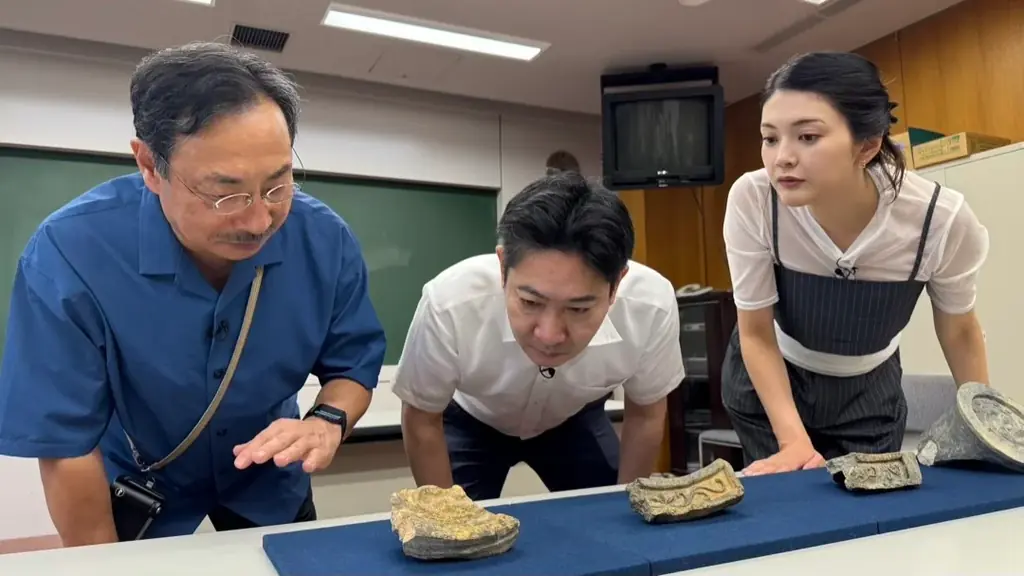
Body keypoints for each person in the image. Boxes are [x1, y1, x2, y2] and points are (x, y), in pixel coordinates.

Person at [0, 42, 386, 543]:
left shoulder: (323, 239)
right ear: (148, 165)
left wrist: (328, 421)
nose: (258, 220)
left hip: (268, 480)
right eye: (224, 193)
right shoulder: (70, 254)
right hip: (142, 482)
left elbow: (352, 363)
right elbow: (67, 445)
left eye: (278, 185)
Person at [721, 51, 990, 476]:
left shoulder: (939, 219)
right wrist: (793, 442)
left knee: (874, 515)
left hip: (870, 392)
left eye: (807, 137)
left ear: (867, 145)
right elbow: (755, 333)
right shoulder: (754, 199)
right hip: (774, 384)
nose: (781, 158)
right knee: (794, 512)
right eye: (770, 138)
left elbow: (959, 329)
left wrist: (984, 431)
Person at [393, 172, 684, 501]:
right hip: (471, 419)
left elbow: (645, 414)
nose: (549, 335)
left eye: (578, 309)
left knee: (609, 518)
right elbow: (421, 417)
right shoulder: (450, 303)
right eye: (530, 302)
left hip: (574, 418)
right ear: (503, 268)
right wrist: (444, 521)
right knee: (454, 536)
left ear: (617, 283)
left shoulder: (650, 306)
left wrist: (628, 510)